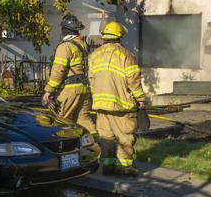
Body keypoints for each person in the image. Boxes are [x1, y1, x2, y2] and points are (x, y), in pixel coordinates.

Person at [89, 21, 146, 177]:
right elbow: (133, 80)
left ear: (105, 37)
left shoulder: (94, 55)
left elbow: (92, 80)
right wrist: (140, 99)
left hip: (100, 105)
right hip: (121, 106)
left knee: (106, 137)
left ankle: (107, 167)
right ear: (120, 36)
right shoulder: (126, 55)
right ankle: (124, 167)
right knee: (125, 137)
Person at [41, 14, 97, 137]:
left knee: (59, 120)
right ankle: (97, 144)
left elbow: (58, 70)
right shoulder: (83, 45)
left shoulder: (65, 46)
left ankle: (64, 148)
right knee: (83, 119)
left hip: (70, 90)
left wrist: (48, 91)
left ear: (64, 30)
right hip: (84, 88)